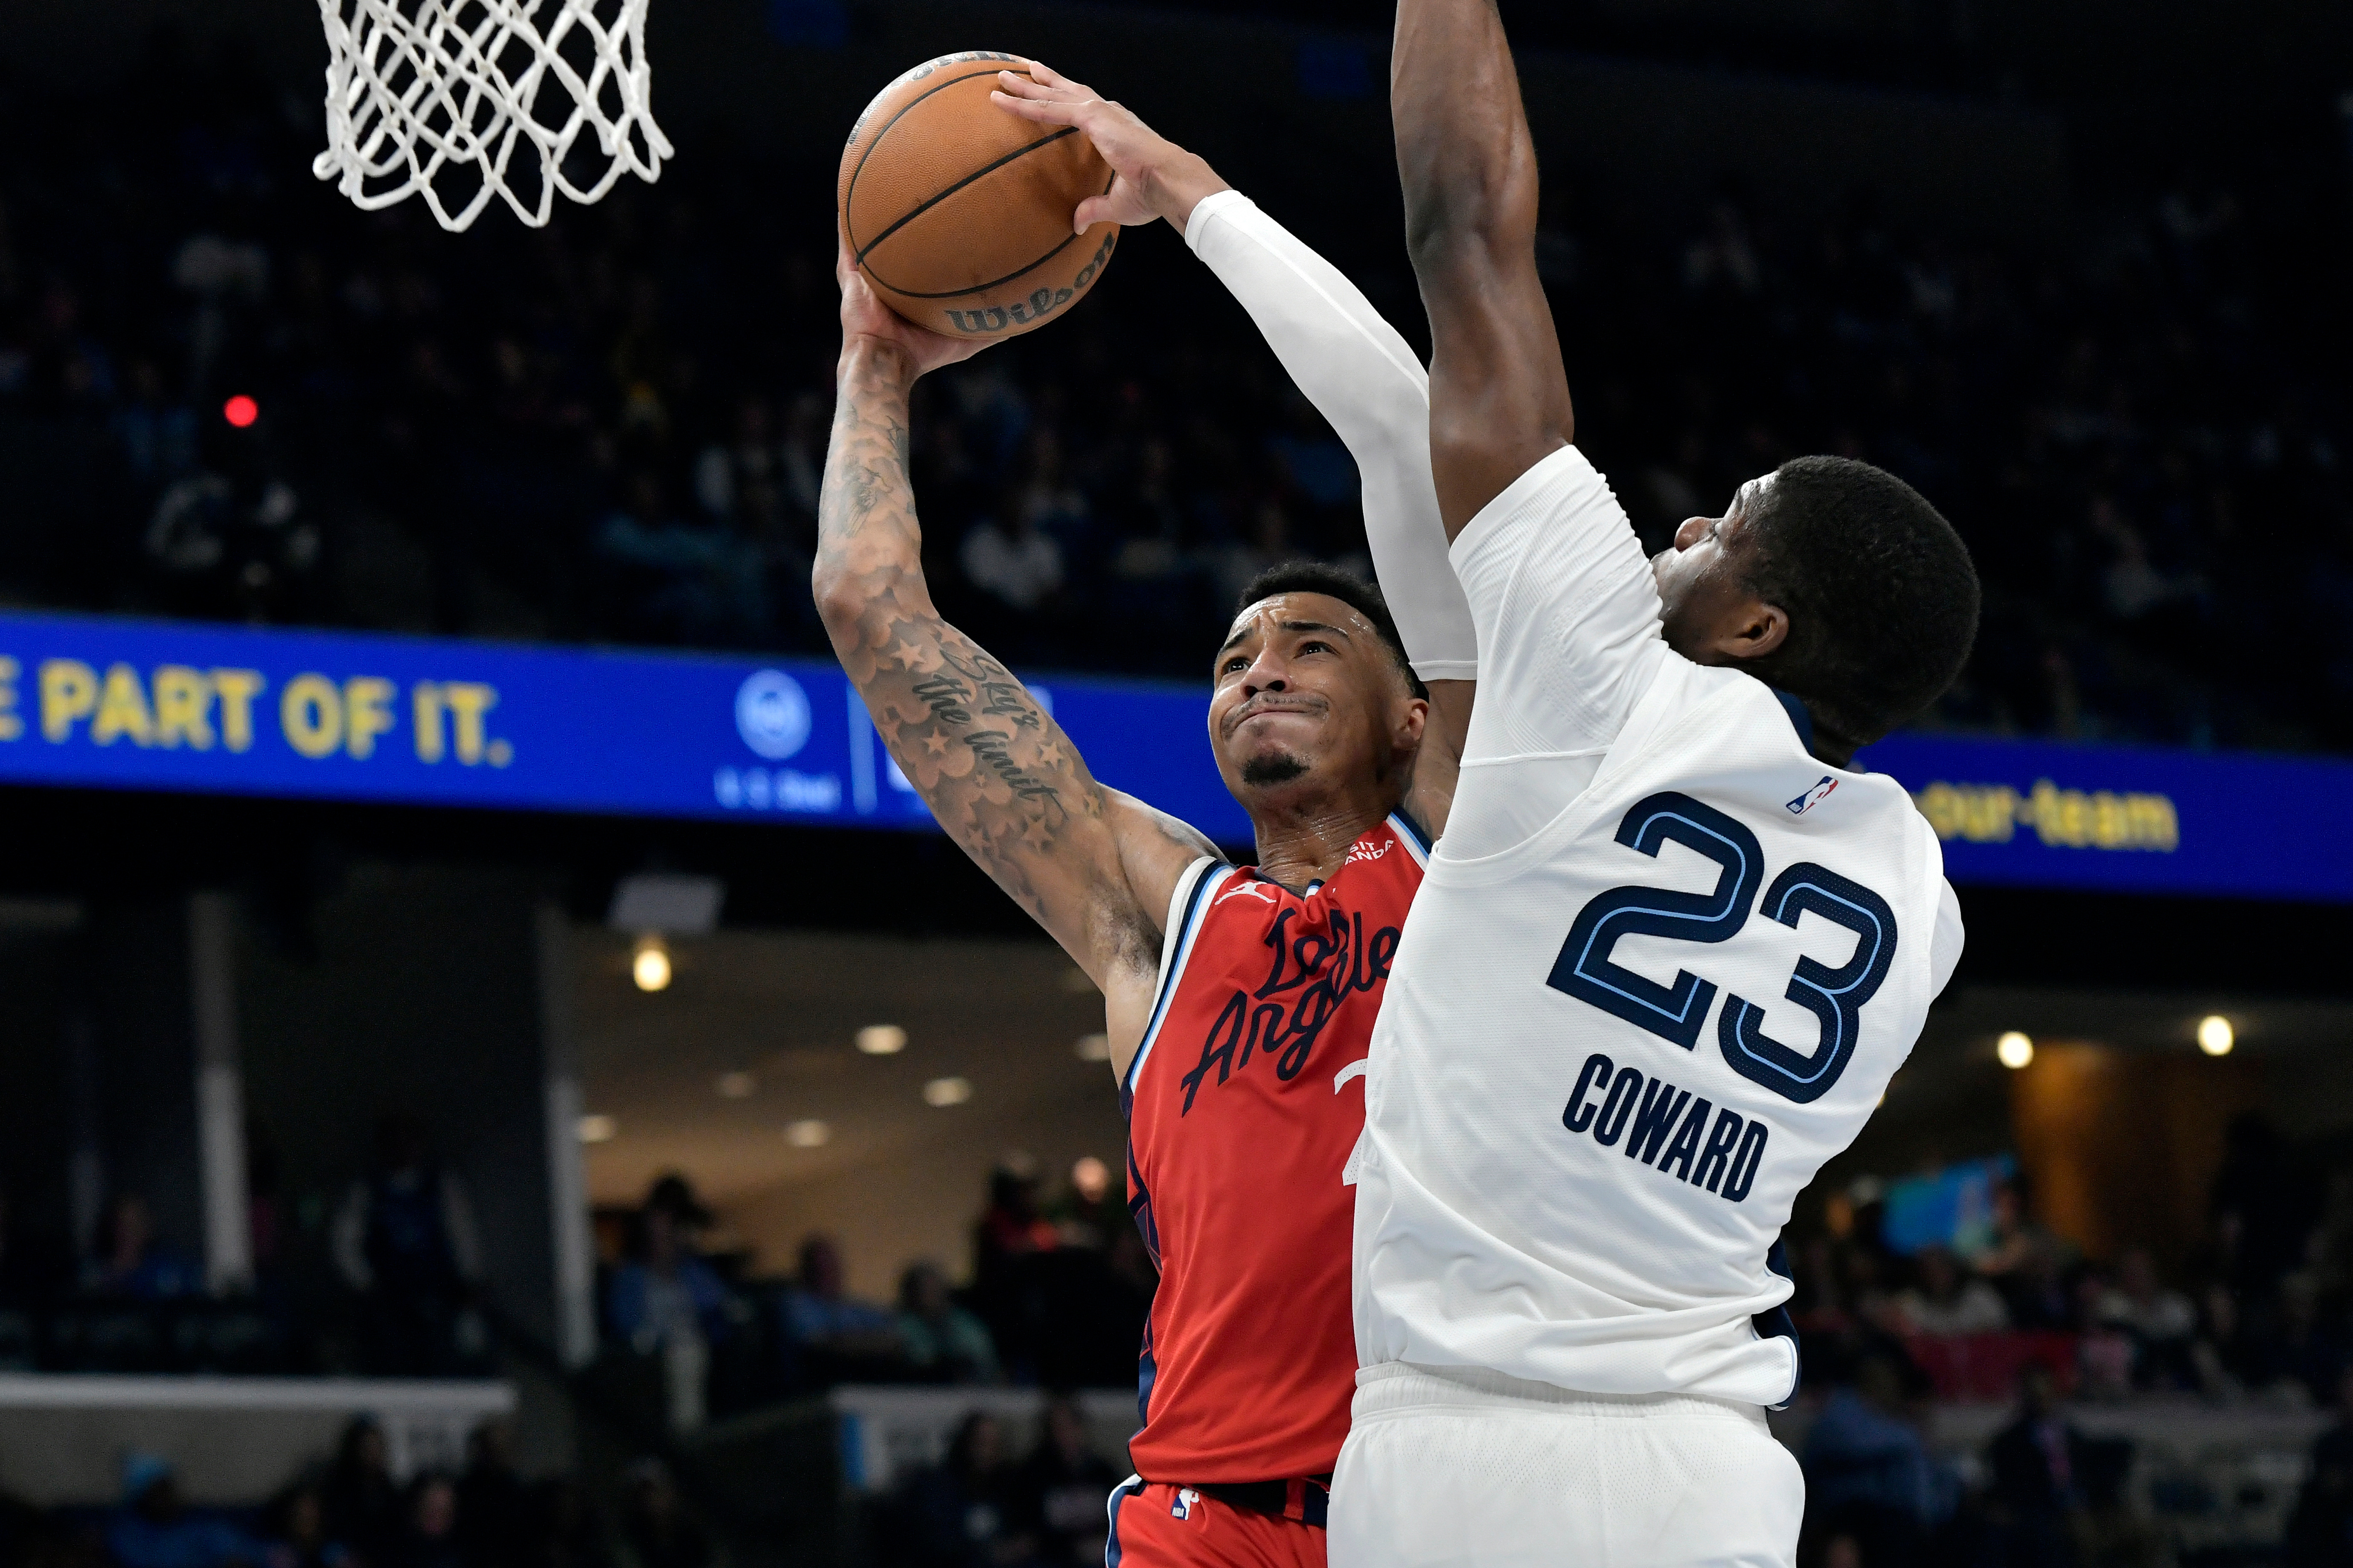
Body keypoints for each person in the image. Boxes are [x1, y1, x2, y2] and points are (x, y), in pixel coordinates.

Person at [1327, 6, 1982, 1564]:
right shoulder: (1916, 894)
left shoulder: (1596, 682)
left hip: (1468, 1453)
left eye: (1724, 527)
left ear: (1754, 623)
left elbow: (1463, 236)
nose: (1681, 526)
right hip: (1708, 1471)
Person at [825, 61, 1480, 1568]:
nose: (1260, 671)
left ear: (1413, 716)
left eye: (1312, 644)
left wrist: (1184, 191)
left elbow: (1413, 437)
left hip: (1449, 1512)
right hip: (1203, 1523)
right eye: (1234, 658)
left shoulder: (1468, 848)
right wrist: (874, 355)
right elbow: (869, 606)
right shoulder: (1159, 912)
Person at [1012, 1395, 1120, 1568]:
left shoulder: (1103, 1472)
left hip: (1100, 1556)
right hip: (1052, 1559)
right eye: (1059, 1428)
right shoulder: (1033, 1475)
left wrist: (1104, 1544)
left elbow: (1121, 1519)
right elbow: (1029, 1534)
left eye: (1072, 1425)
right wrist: (1070, 1549)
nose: (1066, 1434)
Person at [896, 1262, 999, 1385]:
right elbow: (918, 1360)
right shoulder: (905, 1326)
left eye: (936, 1289)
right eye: (926, 1290)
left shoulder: (966, 1324)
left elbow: (984, 1359)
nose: (933, 1295)